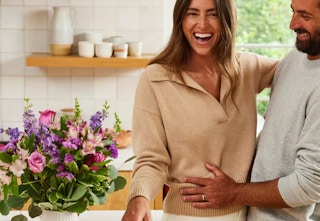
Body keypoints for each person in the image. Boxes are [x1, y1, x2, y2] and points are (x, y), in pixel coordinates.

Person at [121, 0, 278, 220]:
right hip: (185, 216)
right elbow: (151, 159)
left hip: (247, 213)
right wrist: (139, 197)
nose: (202, 24)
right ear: (180, 20)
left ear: (226, 20)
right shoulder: (156, 78)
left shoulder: (248, 68)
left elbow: (300, 72)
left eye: (212, 14)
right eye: (192, 14)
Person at [180, 0, 320, 220]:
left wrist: (233, 192)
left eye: (305, 15)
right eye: (293, 11)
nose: (293, 24)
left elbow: (309, 185)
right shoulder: (295, 58)